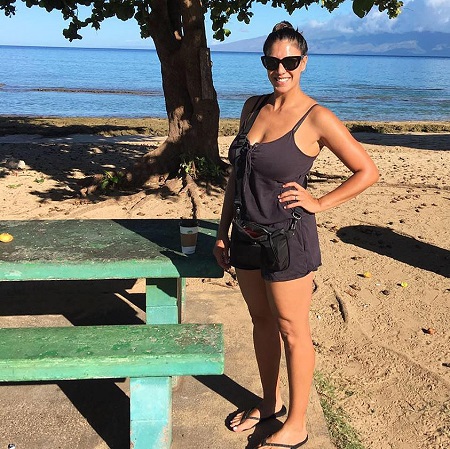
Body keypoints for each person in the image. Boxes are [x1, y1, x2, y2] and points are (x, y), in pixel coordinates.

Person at [213, 21, 379, 449]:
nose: (280, 69)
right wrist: (221, 231)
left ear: (303, 62)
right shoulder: (253, 106)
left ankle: (297, 423)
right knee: (260, 321)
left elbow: (367, 171)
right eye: (272, 60)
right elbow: (237, 176)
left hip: (288, 239)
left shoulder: (317, 117)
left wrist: (320, 203)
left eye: (289, 61)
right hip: (246, 234)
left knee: (292, 329)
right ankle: (269, 404)